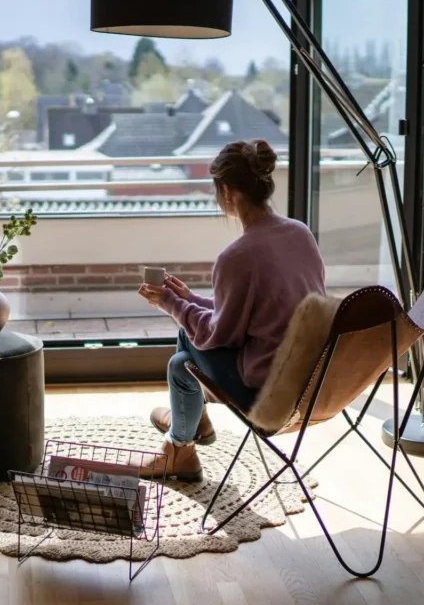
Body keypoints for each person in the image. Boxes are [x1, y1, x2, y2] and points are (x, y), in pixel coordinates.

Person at [135, 139, 326, 481]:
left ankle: (182, 444)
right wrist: (190, 299)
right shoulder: (300, 233)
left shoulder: (236, 257)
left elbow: (217, 334)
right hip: (310, 376)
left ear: (229, 192)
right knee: (186, 341)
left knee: (182, 361)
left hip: (268, 386)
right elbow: (255, 312)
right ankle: (195, 425)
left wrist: (169, 302)